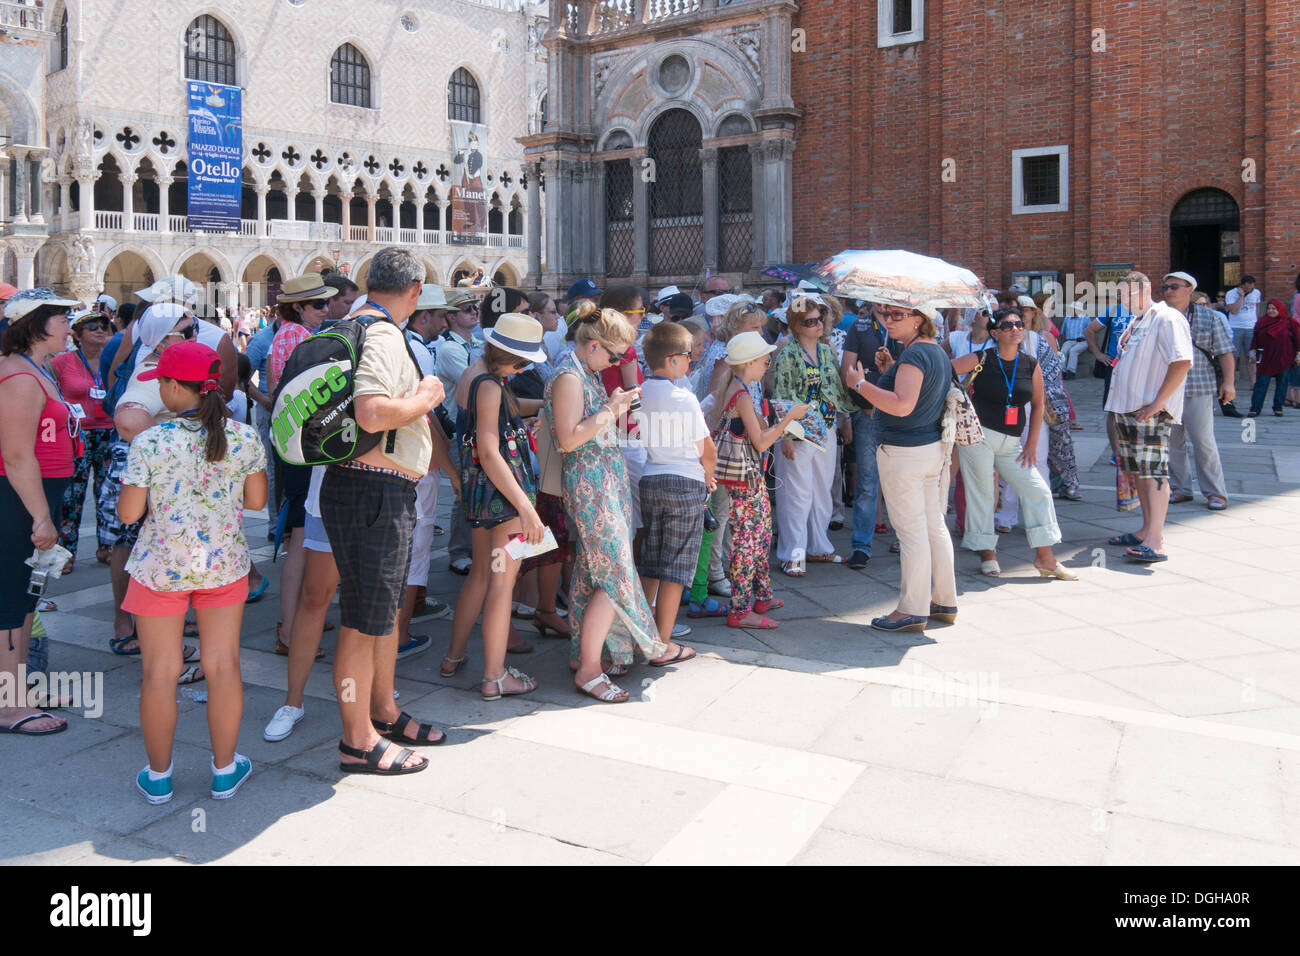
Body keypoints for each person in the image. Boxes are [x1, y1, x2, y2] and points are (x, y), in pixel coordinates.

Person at [117, 342, 267, 803]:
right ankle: (224, 770)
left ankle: (158, 777)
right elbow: (257, 502)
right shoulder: (242, 437)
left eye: (161, 382)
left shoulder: (150, 442)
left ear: (173, 386)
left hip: (160, 569)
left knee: (159, 673)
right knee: (222, 666)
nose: (159, 390)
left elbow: (127, 515)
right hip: (223, 567)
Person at [320, 248, 446, 775]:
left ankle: (383, 711)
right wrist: (425, 399)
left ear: (369, 281)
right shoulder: (383, 334)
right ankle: (358, 741)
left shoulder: (352, 325)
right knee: (361, 621)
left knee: (380, 615)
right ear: (415, 292)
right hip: (373, 490)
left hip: (362, 487)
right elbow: (372, 412)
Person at [544, 307, 677, 703]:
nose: (618, 363)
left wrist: (612, 408)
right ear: (594, 345)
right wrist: (612, 409)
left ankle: (586, 655)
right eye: (615, 356)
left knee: (592, 572)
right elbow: (568, 439)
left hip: (602, 482)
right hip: (590, 487)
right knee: (614, 572)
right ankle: (589, 670)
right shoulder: (569, 374)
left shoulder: (582, 371)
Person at [441, 314, 548, 698]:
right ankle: (494, 676)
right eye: (522, 364)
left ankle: (453, 657)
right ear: (509, 358)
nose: (524, 370)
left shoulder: (475, 373)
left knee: (481, 577)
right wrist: (526, 508)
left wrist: (540, 407)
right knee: (502, 585)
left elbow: (503, 410)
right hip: (503, 494)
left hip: (479, 492)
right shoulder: (489, 384)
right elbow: (489, 450)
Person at [844, 304, 957, 632]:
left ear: (919, 319)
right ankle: (944, 599)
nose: (888, 320)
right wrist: (891, 368)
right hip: (929, 448)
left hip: (905, 452)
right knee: (933, 525)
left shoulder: (915, 355)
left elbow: (902, 404)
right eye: (886, 314)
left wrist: (860, 384)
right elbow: (915, 395)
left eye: (897, 315)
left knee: (911, 532)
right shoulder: (931, 351)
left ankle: (912, 608)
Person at [104, 304, 205, 659]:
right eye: (189, 331)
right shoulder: (150, 370)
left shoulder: (162, 366)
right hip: (145, 475)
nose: (197, 334)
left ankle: (152, 632)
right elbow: (129, 421)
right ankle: (135, 631)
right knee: (136, 549)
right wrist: (176, 450)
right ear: (162, 341)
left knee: (143, 550)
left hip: (153, 473)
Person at [0, 289, 80, 737]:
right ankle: (7, 704)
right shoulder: (18, 376)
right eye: (62, 319)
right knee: (10, 599)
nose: (69, 326)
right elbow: (16, 455)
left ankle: (18, 691)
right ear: (34, 324)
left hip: (35, 499)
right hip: (18, 502)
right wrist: (40, 518)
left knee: (26, 597)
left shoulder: (36, 368)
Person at [949, 309, 1077, 580]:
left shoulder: (1030, 363)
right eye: (1007, 326)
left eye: (1019, 324)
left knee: (1037, 491)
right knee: (983, 494)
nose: (1015, 329)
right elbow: (945, 370)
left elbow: (1039, 404)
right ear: (995, 333)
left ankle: (1046, 558)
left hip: (1012, 442)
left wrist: (1031, 443)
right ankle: (987, 553)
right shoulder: (982, 357)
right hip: (979, 436)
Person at [712, 332, 808, 628]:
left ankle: (762, 595)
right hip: (746, 479)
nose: (768, 363)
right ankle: (740, 610)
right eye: (765, 360)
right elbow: (762, 441)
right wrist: (788, 419)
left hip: (746, 477)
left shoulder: (737, 388)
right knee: (749, 541)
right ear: (750, 362)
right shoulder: (740, 395)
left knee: (761, 535)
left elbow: (752, 432)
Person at [267, 276, 339, 656]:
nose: (326, 311)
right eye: (319, 305)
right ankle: (290, 630)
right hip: (300, 446)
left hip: (291, 442)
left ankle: (298, 617)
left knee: (302, 534)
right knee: (299, 536)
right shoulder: (298, 338)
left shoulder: (285, 334)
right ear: (299, 307)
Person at [1102, 271, 1193, 564]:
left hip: (1149, 410)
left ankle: (1156, 539)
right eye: (1122, 295)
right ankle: (1145, 529)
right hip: (1129, 409)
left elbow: (1182, 362)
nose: (1125, 300)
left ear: (1146, 289)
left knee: (1153, 471)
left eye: (1129, 293)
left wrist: (1158, 403)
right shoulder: (1136, 321)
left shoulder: (1166, 318)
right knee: (1139, 470)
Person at [636, 321, 714, 652]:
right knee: (676, 568)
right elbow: (706, 449)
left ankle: (641, 632)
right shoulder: (683, 397)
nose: (691, 362)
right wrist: (709, 478)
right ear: (672, 360)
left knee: (652, 561)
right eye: (687, 356)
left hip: (651, 478)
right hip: (685, 481)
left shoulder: (640, 392)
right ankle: (663, 644)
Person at [771, 293, 854, 574]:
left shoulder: (827, 351)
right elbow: (782, 397)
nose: (818, 325)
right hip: (799, 430)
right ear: (795, 325)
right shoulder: (787, 354)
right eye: (809, 321)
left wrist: (845, 419)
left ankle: (819, 546)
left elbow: (836, 391)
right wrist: (787, 436)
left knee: (821, 490)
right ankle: (792, 552)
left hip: (826, 426)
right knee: (795, 493)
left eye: (820, 318)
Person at [1161, 272, 1235, 511]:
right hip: (1167, 389)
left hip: (1199, 386)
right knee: (1173, 443)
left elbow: (1225, 352)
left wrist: (1229, 383)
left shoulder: (1209, 317)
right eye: (1165, 287)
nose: (1169, 291)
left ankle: (1215, 492)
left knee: (1203, 441)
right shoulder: (1158, 317)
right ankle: (1181, 488)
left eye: (1174, 287)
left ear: (1189, 290)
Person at [840, 302, 904, 568]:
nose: (883, 303)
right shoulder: (861, 326)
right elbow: (847, 371)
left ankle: (906, 538)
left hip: (901, 416)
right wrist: (866, 402)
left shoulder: (904, 326)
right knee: (867, 482)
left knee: (902, 482)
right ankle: (861, 546)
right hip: (868, 414)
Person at [53, 308, 116, 571]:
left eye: (104, 325)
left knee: (107, 492)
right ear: (78, 335)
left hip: (109, 431)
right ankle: (66, 551)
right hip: (77, 434)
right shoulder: (62, 362)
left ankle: (107, 546)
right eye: (92, 327)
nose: (100, 329)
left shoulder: (112, 358)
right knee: (72, 495)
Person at [437, 289, 482, 576]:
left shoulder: (476, 342)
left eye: (475, 307)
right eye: (467, 309)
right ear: (452, 317)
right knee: (462, 492)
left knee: (475, 488)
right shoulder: (450, 349)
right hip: (460, 428)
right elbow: (476, 382)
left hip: (478, 426)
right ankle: (458, 552)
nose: (474, 312)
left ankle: (473, 546)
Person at [1247, 299, 1300, 417]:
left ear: (1280, 309)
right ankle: (1255, 408)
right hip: (1266, 359)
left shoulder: (1290, 322)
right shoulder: (1261, 322)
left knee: (1282, 384)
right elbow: (1255, 338)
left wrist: (1298, 354)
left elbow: (1298, 340)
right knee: (1261, 384)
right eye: (1269, 308)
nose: (1271, 311)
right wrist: (1252, 351)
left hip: (1284, 359)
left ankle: (1278, 407)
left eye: (1274, 308)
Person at [1225, 275, 1261, 388]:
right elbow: (1234, 311)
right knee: (1233, 356)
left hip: (1251, 327)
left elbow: (1257, 308)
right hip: (1235, 327)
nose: (1249, 290)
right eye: (1246, 288)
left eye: (1251, 288)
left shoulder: (1256, 293)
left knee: (1251, 356)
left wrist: (1257, 323)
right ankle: (1231, 382)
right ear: (1241, 286)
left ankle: (1253, 383)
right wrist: (1241, 297)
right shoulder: (1231, 293)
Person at [1058, 301, 1092, 378]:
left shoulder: (1086, 318)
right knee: (1063, 351)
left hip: (1082, 341)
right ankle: (1062, 371)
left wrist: (1091, 345)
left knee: (1073, 351)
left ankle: (1071, 371)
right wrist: (1063, 343)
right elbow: (1063, 332)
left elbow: (1091, 332)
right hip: (1070, 340)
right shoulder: (1067, 318)